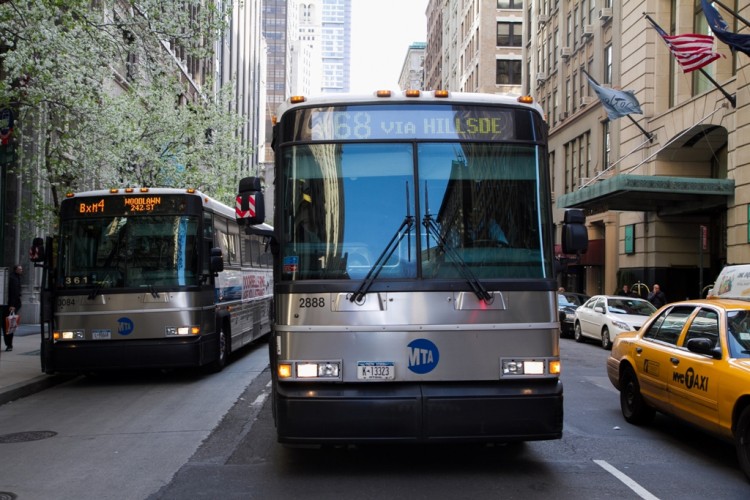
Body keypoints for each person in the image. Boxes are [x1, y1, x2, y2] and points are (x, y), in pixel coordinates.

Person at [3, 264, 22, 351]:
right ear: (16, 270)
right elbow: (14, 293)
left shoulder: (15, 278)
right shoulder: (14, 279)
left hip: (12, 305)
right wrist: (12, 305)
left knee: (9, 324)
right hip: (12, 305)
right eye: (20, 269)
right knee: (9, 324)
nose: (21, 271)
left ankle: (9, 344)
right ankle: (9, 344)